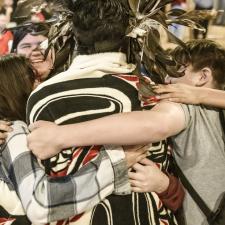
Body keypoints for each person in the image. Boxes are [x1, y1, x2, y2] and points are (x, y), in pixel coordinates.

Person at [28, 39, 225, 225]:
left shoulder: (189, 107)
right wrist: (165, 186)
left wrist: (60, 136)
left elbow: (153, 125)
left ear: (203, 76)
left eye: (176, 70)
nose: (167, 78)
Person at [26, 0, 184, 224]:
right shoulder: (152, 91)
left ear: (71, 31)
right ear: (130, 32)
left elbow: (42, 186)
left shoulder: (42, 97)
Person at [0, 54, 148, 224]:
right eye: (34, 79)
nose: (41, 85)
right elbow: (42, 203)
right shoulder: (12, 132)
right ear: (15, 87)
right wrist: (115, 163)